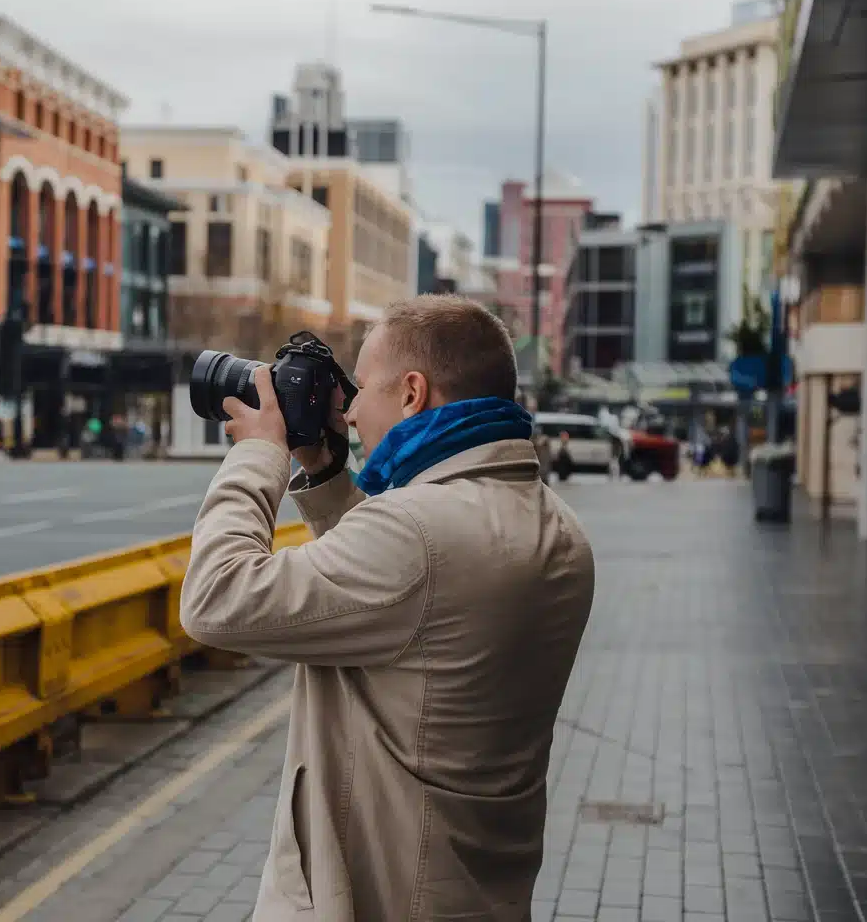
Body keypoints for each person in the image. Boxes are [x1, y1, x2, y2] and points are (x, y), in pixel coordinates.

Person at [181, 295, 595, 922]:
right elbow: (414, 611)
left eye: (361, 387)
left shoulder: (416, 535)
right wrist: (324, 476)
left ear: (411, 394)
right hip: (477, 890)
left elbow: (215, 599)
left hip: (378, 898)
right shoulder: (556, 528)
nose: (346, 412)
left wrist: (258, 453)